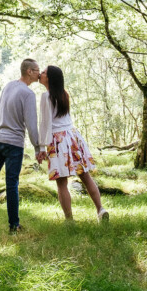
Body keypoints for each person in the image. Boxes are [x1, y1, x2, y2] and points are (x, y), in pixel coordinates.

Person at [0, 58, 46, 233]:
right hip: (13, 143)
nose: (39, 73)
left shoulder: (8, 86)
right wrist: (38, 148)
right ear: (29, 71)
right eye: (37, 70)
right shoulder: (28, 94)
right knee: (12, 183)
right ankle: (14, 225)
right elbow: (31, 125)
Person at [38, 65, 108, 223]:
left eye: (43, 73)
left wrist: (42, 147)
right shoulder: (64, 94)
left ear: (49, 78)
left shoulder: (45, 96)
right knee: (85, 176)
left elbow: (44, 124)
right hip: (73, 137)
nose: (40, 75)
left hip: (58, 141)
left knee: (61, 183)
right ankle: (100, 209)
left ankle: (69, 220)